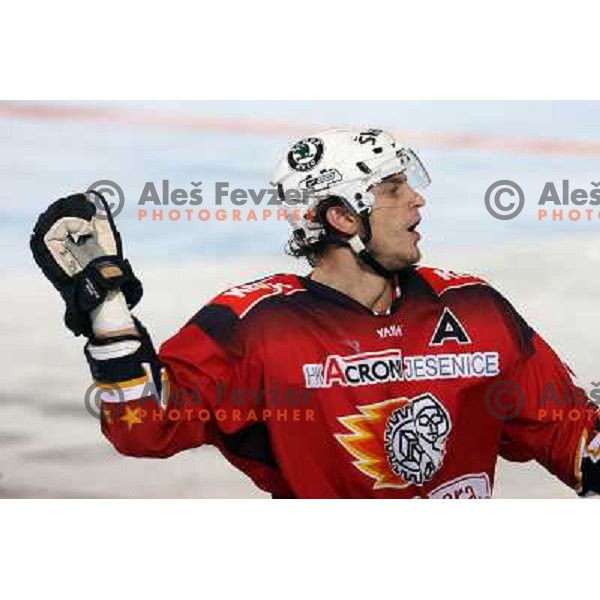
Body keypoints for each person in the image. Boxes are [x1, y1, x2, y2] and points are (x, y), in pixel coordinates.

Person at [30, 128, 600, 498]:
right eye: (394, 187)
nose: (417, 199)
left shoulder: (474, 307)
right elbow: (142, 430)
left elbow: (574, 437)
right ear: (344, 218)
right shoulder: (254, 326)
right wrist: (106, 312)